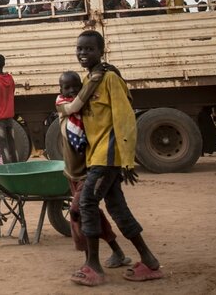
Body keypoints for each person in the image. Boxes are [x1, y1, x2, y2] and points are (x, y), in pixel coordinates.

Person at [70, 30, 162, 286]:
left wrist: (127, 159)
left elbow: (124, 119)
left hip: (108, 157)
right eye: (80, 49)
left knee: (87, 203)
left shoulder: (110, 79)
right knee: (117, 208)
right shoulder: (91, 80)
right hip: (97, 156)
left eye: (89, 49)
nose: (83, 53)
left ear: (101, 51)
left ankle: (93, 266)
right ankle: (150, 262)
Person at [55, 70, 131, 272]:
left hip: (87, 172)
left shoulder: (88, 112)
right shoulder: (62, 105)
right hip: (72, 173)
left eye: (75, 86)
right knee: (93, 214)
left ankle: (90, 260)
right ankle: (117, 252)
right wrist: (92, 82)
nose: (71, 90)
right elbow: (74, 105)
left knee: (78, 212)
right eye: (66, 87)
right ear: (60, 89)